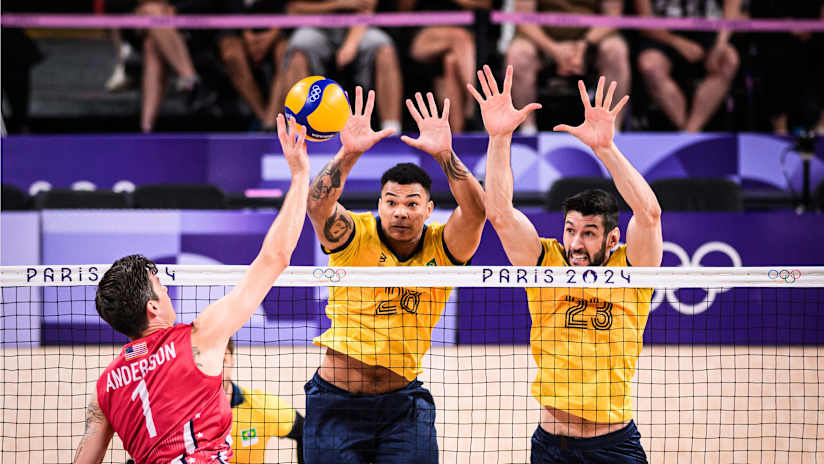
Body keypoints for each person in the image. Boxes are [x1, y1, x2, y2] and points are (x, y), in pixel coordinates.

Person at [71, 114, 310, 464]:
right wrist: (301, 174)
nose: (167, 292)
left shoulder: (105, 388)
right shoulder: (199, 339)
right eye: (161, 288)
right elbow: (275, 256)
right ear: (152, 307)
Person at [473, 65, 662, 462]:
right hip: (551, 446)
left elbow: (648, 215)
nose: (575, 242)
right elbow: (501, 214)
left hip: (614, 446)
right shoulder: (544, 261)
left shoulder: (634, 268)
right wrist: (499, 137)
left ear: (612, 239)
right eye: (570, 229)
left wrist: (606, 148)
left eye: (588, 233)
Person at [303, 86, 486, 462]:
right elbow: (318, 206)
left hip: (402, 407)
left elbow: (476, 212)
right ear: (379, 206)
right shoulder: (355, 237)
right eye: (392, 202)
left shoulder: (444, 248)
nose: (401, 212)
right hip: (336, 403)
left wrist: (444, 154)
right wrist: (349, 151)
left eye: (412, 203)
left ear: (429, 209)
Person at [275, 0, 403, 133]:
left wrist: (351, 43)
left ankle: (391, 129)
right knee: (298, 49)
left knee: (384, 49)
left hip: (359, 26)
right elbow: (294, 9)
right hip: (315, 25)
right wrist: (342, 3)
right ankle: (296, 127)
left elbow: (366, 6)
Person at [505, 0, 631, 133]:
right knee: (518, 54)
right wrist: (554, 50)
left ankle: (612, 129)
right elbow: (523, 17)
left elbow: (612, 15)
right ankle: (527, 128)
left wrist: (584, 45)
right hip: (543, 40)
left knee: (615, 51)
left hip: (591, 40)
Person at [635, 0, 741, 132]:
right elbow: (644, 19)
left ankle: (690, 131)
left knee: (728, 59)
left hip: (708, 32)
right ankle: (688, 133)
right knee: (649, 64)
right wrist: (677, 43)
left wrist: (720, 44)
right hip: (662, 33)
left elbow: (733, 5)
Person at [400, 0, 491, 133]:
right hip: (423, 35)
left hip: (466, 36)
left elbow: (485, 4)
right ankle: (477, 102)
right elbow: (402, 7)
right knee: (460, 38)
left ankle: (457, 138)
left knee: (451, 61)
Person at [223, 338, 305, 464]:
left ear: (232, 360)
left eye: (222, 360)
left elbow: (306, 431)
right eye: (205, 361)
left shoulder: (262, 406)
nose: (214, 368)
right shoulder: (183, 412)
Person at [217, 0, 290, 130]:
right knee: (232, 56)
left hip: (277, 28)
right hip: (236, 29)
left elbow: (288, 7)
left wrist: (273, 34)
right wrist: (246, 33)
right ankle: (264, 120)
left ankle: (272, 120)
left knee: (286, 55)